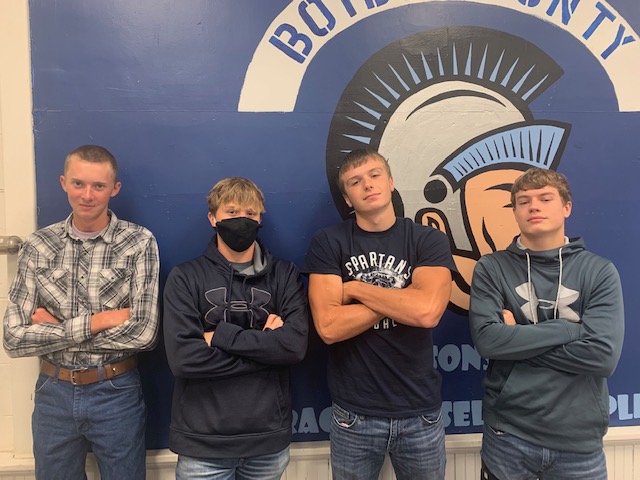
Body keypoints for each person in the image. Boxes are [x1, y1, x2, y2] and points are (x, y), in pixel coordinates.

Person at [3, 144, 160, 479]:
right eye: (78, 183)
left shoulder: (138, 243)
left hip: (115, 390)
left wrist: (55, 328)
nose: (87, 195)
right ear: (64, 182)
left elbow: (144, 334)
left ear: (114, 189)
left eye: (98, 186)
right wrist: (98, 321)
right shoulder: (38, 245)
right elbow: (13, 339)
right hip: (53, 391)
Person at [301, 149, 457, 480]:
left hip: (420, 412)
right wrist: (405, 296)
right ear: (347, 198)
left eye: (374, 175)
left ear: (390, 182)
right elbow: (329, 326)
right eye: (355, 182)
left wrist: (356, 289)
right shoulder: (329, 242)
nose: (368, 185)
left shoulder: (427, 239)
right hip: (353, 414)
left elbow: (427, 312)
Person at [469, 167, 624, 480]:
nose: (534, 207)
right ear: (515, 212)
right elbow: (488, 342)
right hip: (508, 434)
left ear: (566, 207)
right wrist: (570, 330)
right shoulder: (491, 268)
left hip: (579, 440)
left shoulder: (599, 271)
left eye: (545, 198)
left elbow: (602, 357)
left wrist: (517, 337)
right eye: (524, 201)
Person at [163, 177, 308, 480]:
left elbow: (294, 347)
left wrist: (221, 336)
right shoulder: (185, 277)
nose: (242, 220)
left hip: (267, 442)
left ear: (260, 219)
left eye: (250, 213)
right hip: (202, 444)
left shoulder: (284, 274)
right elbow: (185, 359)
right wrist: (266, 344)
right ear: (212, 218)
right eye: (231, 212)